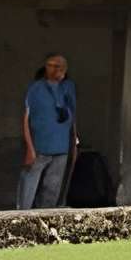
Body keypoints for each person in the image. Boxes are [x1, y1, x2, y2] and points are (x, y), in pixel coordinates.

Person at [17, 53, 78, 209]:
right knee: (29, 187)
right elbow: (25, 119)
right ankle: (21, 216)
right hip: (39, 147)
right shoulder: (36, 88)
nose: (56, 69)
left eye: (59, 66)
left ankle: (44, 217)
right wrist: (30, 149)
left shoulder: (68, 87)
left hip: (61, 147)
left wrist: (74, 142)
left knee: (52, 189)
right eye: (51, 65)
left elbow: (72, 116)